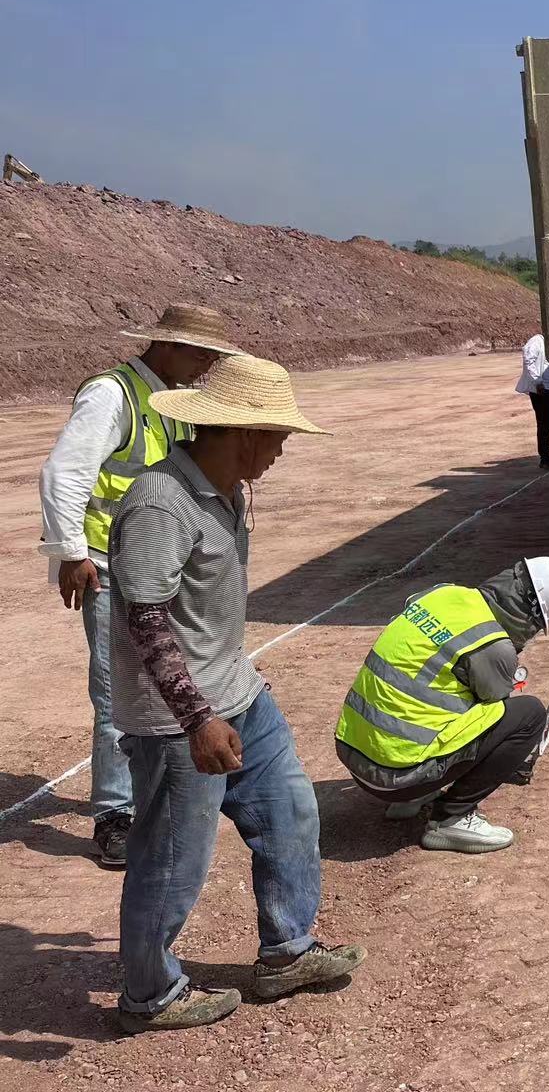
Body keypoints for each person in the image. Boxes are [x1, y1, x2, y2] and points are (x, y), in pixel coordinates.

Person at [108, 354, 364, 1033]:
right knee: (172, 859)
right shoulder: (162, 502)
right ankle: (148, 994)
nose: (282, 450)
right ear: (244, 434)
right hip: (178, 717)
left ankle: (287, 950)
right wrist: (196, 719)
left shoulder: (225, 489)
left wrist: (226, 693)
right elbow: (146, 617)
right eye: (278, 437)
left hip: (237, 691)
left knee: (291, 812)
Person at [38, 304, 242, 870]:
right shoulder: (113, 395)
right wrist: (71, 553)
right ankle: (114, 815)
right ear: (165, 346)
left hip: (160, 567)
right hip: (109, 567)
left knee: (166, 684)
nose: (206, 365)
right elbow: (66, 472)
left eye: (212, 356)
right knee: (116, 692)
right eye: (199, 353)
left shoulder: (171, 404)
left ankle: (153, 798)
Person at [333, 556, 549, 854]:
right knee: (527, 715)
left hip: (354, 752)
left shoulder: (443, 593)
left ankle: (411, 799)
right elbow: (494, 706)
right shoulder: (494, 645)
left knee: (437, 693)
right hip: (396, 777)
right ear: (532, 617)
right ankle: (452, 818)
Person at [515, 332, 549, 470]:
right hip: (541, 389)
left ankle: (547, 457)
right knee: (544, 424)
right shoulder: (537, 341)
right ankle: (545, 458)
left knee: (547, 425)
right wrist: (537, 381)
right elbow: (528, 359)